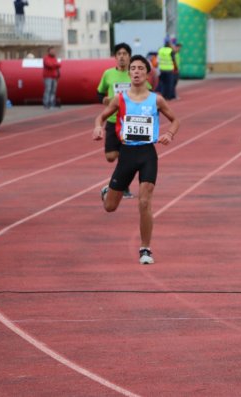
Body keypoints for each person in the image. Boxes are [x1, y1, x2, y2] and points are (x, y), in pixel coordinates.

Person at [92, 55, 179, 265]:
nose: (137, 71)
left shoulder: (156, 99)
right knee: (110, 207)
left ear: (147, 73)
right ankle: (108, 191)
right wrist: (98, 127)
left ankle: (145, 248)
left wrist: (170, 134)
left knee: (144, 201)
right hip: (127, 154)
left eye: (141, 68)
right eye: (133, 68)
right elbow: (101, 117)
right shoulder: (120, 99)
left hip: (148, 154)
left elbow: (175, 120)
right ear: (129, 73)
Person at [97, 42, 136, 199]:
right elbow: (99, 93)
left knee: (126, 156)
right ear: (115, 57)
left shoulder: (134, 73)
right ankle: (121, 177)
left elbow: (149, 90)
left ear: (129, 57)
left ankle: (121, 187)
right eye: (119, 54)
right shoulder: (108, 74)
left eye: (124, 54)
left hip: (130, 120)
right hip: (113, 119)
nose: (121, 57)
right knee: (111, 156)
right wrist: (105, 99)